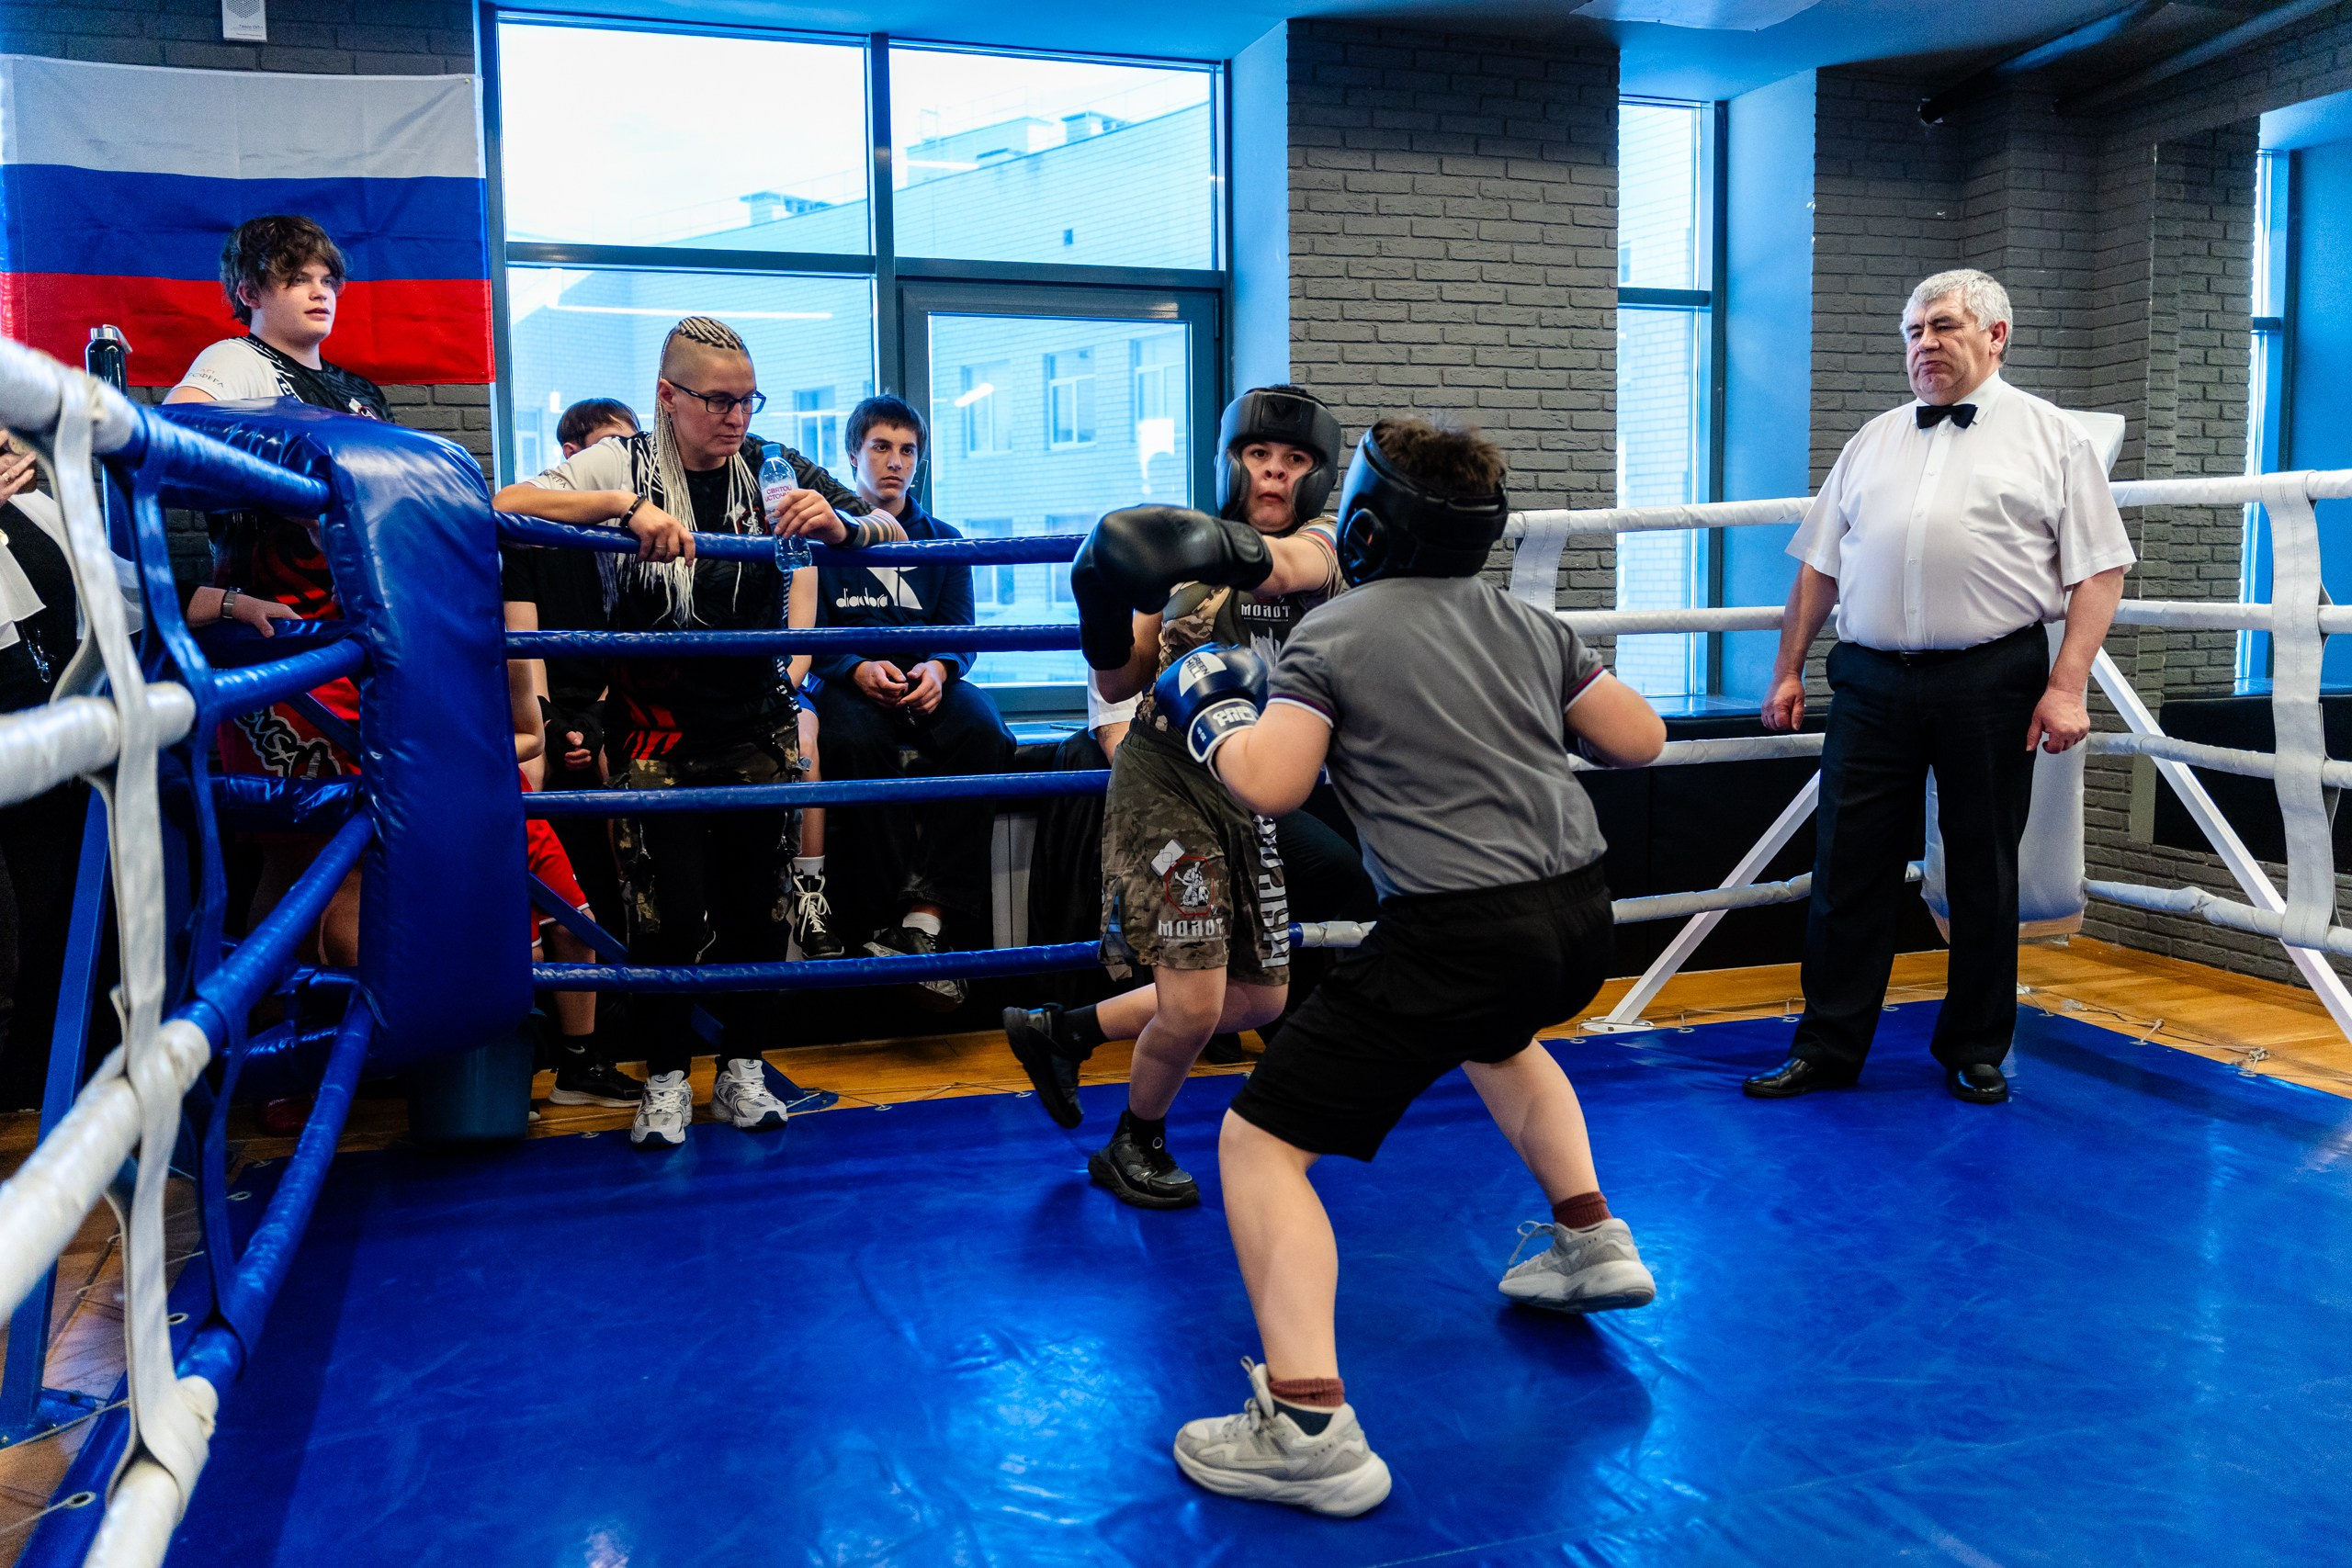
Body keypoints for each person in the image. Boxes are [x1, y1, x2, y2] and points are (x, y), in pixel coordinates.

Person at [1147, 416, 1668, 1516]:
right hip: (1580, 918)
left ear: (1372, 525)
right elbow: (1641, 739)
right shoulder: (1528, 621)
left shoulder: (1334, 634)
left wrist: (1204, 692)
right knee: (1498, 1036)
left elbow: (1271, 784)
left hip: (1458, 928)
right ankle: (1587, 1237)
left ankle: (1304, 1424)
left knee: (1258, 1141)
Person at [491, 315, 904, 1150]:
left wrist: (840, 525)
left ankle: (744, 1068)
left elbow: (893, 528)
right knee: (666, 916)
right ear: (668, 397)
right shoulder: (627, 460)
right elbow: (504, 504)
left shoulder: (775, 467)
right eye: (718, 401)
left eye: (748, 400)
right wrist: (617, 509)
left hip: (756, 726)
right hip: (653, 734)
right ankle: (668, 1077)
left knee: (756, 908)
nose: (736, 417)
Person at [1749, 268, 2132, 1106]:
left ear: (1996, 336)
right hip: (1872, 679)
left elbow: (2101, 570)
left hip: (1991, 676)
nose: (1924, 344)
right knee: (1847, 864)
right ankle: (1828, 1045)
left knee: (1984, 868)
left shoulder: (2050, 436)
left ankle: (1976, 1045)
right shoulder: (1874, 438)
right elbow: (1820, 564)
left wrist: (2067, 687)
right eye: (1914, 331)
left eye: (1944, 327)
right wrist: (1786, 668)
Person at [1001, 386, 1373, 1209]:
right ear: (1231, 460)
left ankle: (1061, 1031)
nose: (1272, 473)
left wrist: (1210, 547)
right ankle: (1135, 1137)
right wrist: (1100, 610)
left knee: (1260, 993)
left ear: (1316, 475)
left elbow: (1296, 565)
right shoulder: (1174, 563)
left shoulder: (1324, 546)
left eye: (1293, 461)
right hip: (1168, 785)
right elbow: (1123, 676)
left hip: (1259, 793)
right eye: (1257, 456)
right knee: (1198, 1002)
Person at [808, 394, 1012, 1010]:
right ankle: (881, 918)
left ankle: (924, 919)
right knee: (850, 741)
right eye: (881, 447)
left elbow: (961, 633)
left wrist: (939, 669)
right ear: (851, 456)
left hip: (924, 684)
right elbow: (804, 634)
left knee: (986, 729)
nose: (895, 462)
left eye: (907, 450)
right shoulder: (823, 542)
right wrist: (854, 666)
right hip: (850, 687)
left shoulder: (943, 541)